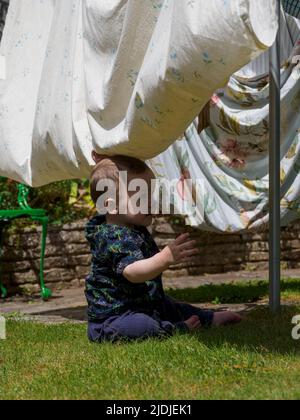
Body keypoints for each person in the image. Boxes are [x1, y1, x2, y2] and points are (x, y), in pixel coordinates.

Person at [85, 154, 241, 343]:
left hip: (145, 303)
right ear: (111, 205)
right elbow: (132, 272)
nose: (151, 202)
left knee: (172, 306)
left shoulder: (133, 228)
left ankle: (208, 318)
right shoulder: (110, 236)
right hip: (115, 317)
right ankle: (173, 329)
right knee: (141, 325)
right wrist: (164, 258)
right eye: (141, 196)